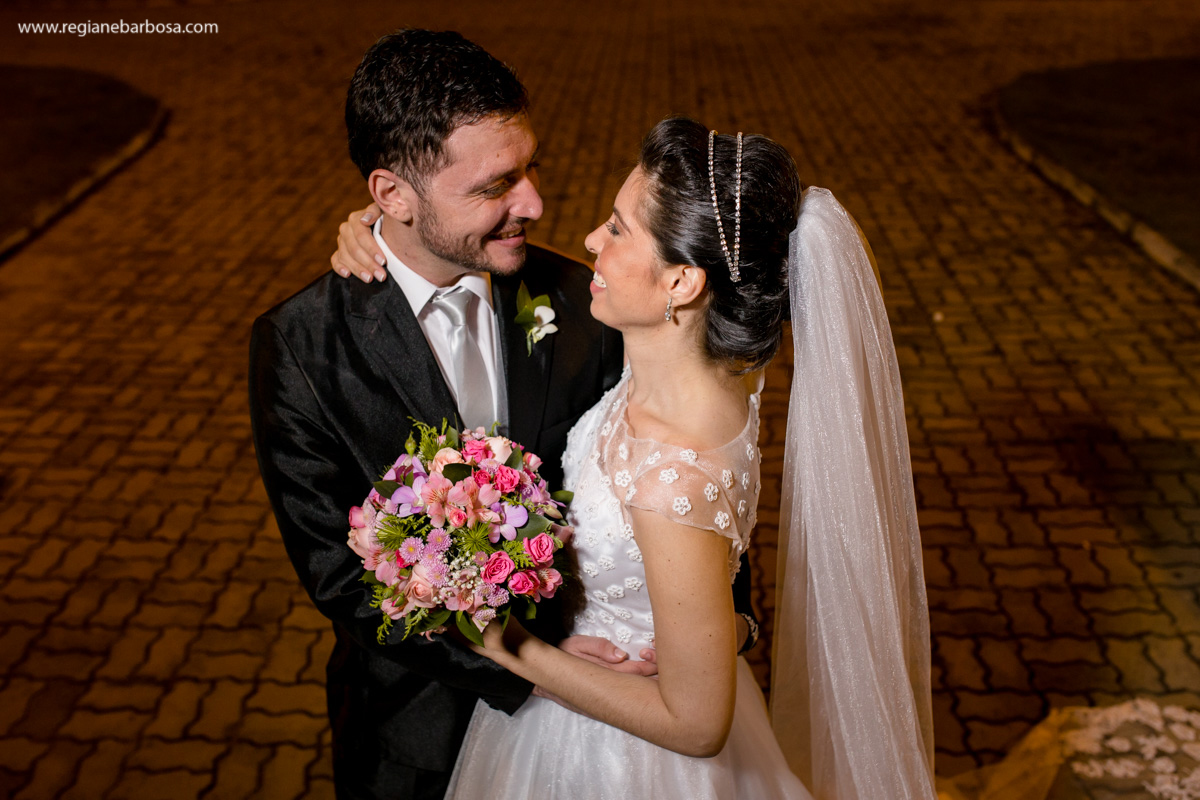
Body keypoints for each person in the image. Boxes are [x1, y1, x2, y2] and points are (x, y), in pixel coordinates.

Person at [332, 117, 938, 798]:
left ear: (681, 283)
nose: (591, 239)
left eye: (618, 229)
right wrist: (389, 224)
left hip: (617, 753)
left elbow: (698, 723)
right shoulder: (703, 371)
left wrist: (511, 648)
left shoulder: (669, 472)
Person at [249, 30, 759, 800]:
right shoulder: (304, 348)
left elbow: (685, 476)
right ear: (391, 197)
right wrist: (529, 663)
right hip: (412, 734)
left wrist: (738, 623)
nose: (535, 204)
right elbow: (342, 579)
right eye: (495, 187)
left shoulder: (584, 302)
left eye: (530, 169)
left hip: (607, 732)